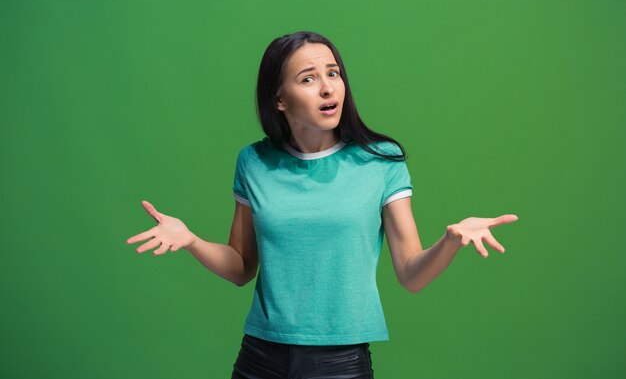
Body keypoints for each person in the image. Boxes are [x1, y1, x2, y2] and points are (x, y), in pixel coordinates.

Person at [125, 31, 519, 379]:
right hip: (260, 356)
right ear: (279, 99)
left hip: (340, 362)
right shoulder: (254, 162)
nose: (328, 88)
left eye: (333, 73)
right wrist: (191, 240)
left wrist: (450, 241)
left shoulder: (380, 160)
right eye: (308, 79)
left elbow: (411, 275)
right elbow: (241, 267)